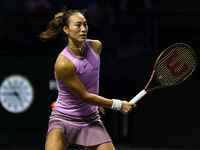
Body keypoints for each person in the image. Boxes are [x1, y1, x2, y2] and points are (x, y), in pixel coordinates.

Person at [39, 6, 137, 150]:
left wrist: (96, 101)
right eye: (78, 25)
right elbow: (84, 96)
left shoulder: (96, 46)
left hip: (90, 120)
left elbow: (89, 80)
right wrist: (118, 105)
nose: (83, 28)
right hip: (63, 119)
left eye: (85, 24)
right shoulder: (64, 63)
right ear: (66, 29)